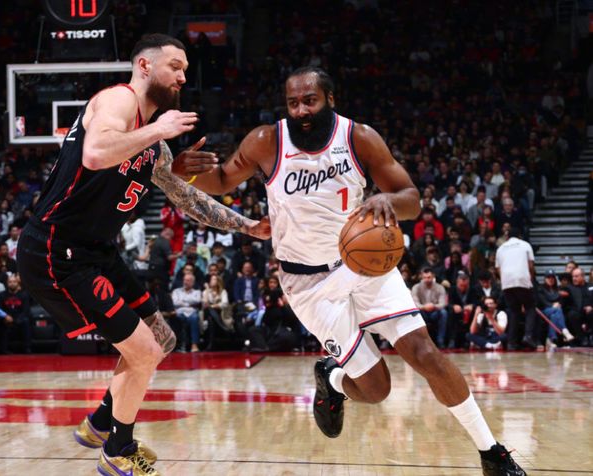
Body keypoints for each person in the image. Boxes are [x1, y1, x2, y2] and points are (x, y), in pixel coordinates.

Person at [182, 67, 524, 475]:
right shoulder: (266, 141)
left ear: (330, 99)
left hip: (363, 263)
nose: (301, 110)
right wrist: (187, 171)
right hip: (307, 282)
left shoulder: (359, 138)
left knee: (425, 353)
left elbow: (412, 199)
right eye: (293, 103)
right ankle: (333, 379)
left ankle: (492, 453)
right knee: (377, 389)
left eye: (310, 101)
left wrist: (388, 202)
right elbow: (222, 180)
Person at [16, 34, 270, 476]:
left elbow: (188, 200)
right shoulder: (118, 101)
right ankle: (118, 450)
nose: (183, 76)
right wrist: (158, 129)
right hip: (56, 248)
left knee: (162, 339)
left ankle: (100, 424)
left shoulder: (156, 146)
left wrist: (247, 226)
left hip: (96, 250)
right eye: (175, 66)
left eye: (185, 69)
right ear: (145, 65)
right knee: (144, 352)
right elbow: (95, 153)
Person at [495, 228, 537, 350]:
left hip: (507, 282)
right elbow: (530, 265)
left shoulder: (501, 248)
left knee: (514, 311)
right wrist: (530, 280)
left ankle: (511, 342)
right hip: (522, 279)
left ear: (507, 237)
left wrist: (504, 280)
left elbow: (498, 268)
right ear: (519, 236)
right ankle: (528, 336)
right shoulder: (525, 245)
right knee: (530, 307)